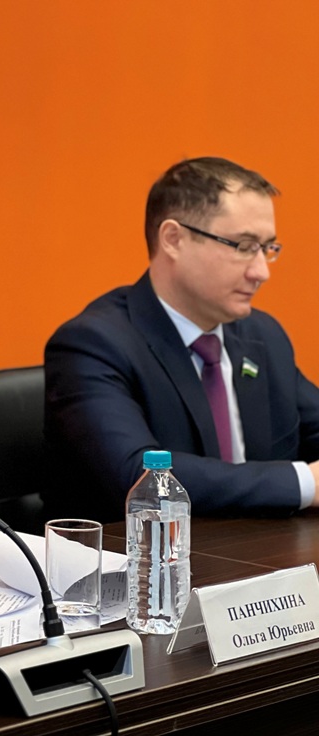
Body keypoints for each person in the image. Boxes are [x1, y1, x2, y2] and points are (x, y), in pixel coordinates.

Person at [44, 156, 319, 523]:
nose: (261, 272)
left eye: (267, 248)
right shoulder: (93, 345)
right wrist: (306, 482)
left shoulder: (262, 336)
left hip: (265, 552)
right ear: (174, 239)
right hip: (140, 557)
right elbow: (141, 480)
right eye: (243, 246)